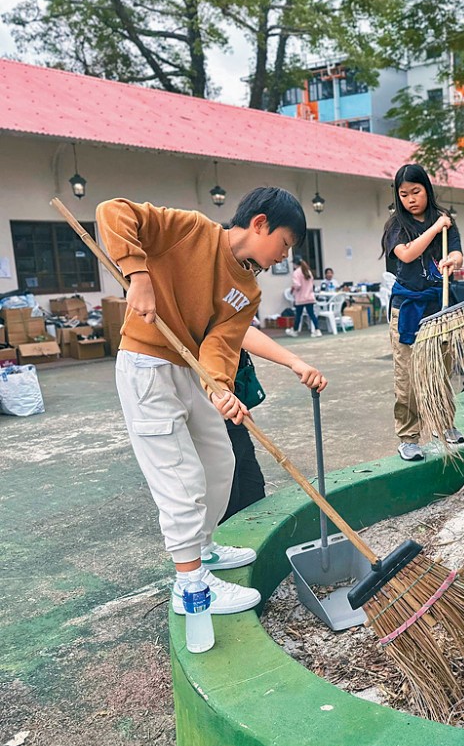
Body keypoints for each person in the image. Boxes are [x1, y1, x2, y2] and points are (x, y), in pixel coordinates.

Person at [97, 187, 307, 616]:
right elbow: (112, 211)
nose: (284, 256)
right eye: (284, 243)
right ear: (260, 224)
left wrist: (219, 389)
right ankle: (190, 585)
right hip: (147, 366)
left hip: (190, 370)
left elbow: (220, 346)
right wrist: (138, 275)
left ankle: (205, 549)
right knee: (180, 479)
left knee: (219, 462)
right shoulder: (190, 230)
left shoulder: (247, 290)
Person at [379, 163, 464, 462]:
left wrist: (451, 260)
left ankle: (445, 425)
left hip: (439, 307)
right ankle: (408, 437)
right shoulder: (396, 226)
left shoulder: (445, 222)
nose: (411, 199)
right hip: (407, 308)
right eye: (404, 194)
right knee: (407, 377)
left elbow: (456, 252)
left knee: (441, 370)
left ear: (427, 189)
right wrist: (435, 227)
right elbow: (407, 253)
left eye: (416, 192)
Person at [219, 325, 328, 524]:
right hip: (204, 411)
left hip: (230, 407)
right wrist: (214, 391)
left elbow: (235, 328)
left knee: (251, 491)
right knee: (224, 499)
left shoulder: (223, 302)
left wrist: (295, 362)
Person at [286, 255, 321, 338]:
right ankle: (317, 330)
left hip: (300, 298)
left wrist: (293, 288)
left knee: (298, 314)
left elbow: (297, 285)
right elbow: (312, 284)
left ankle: (295, 330)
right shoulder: (308, 271)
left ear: (295, 264)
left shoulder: (296, 273)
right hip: (309, 297)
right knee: (312, 314)